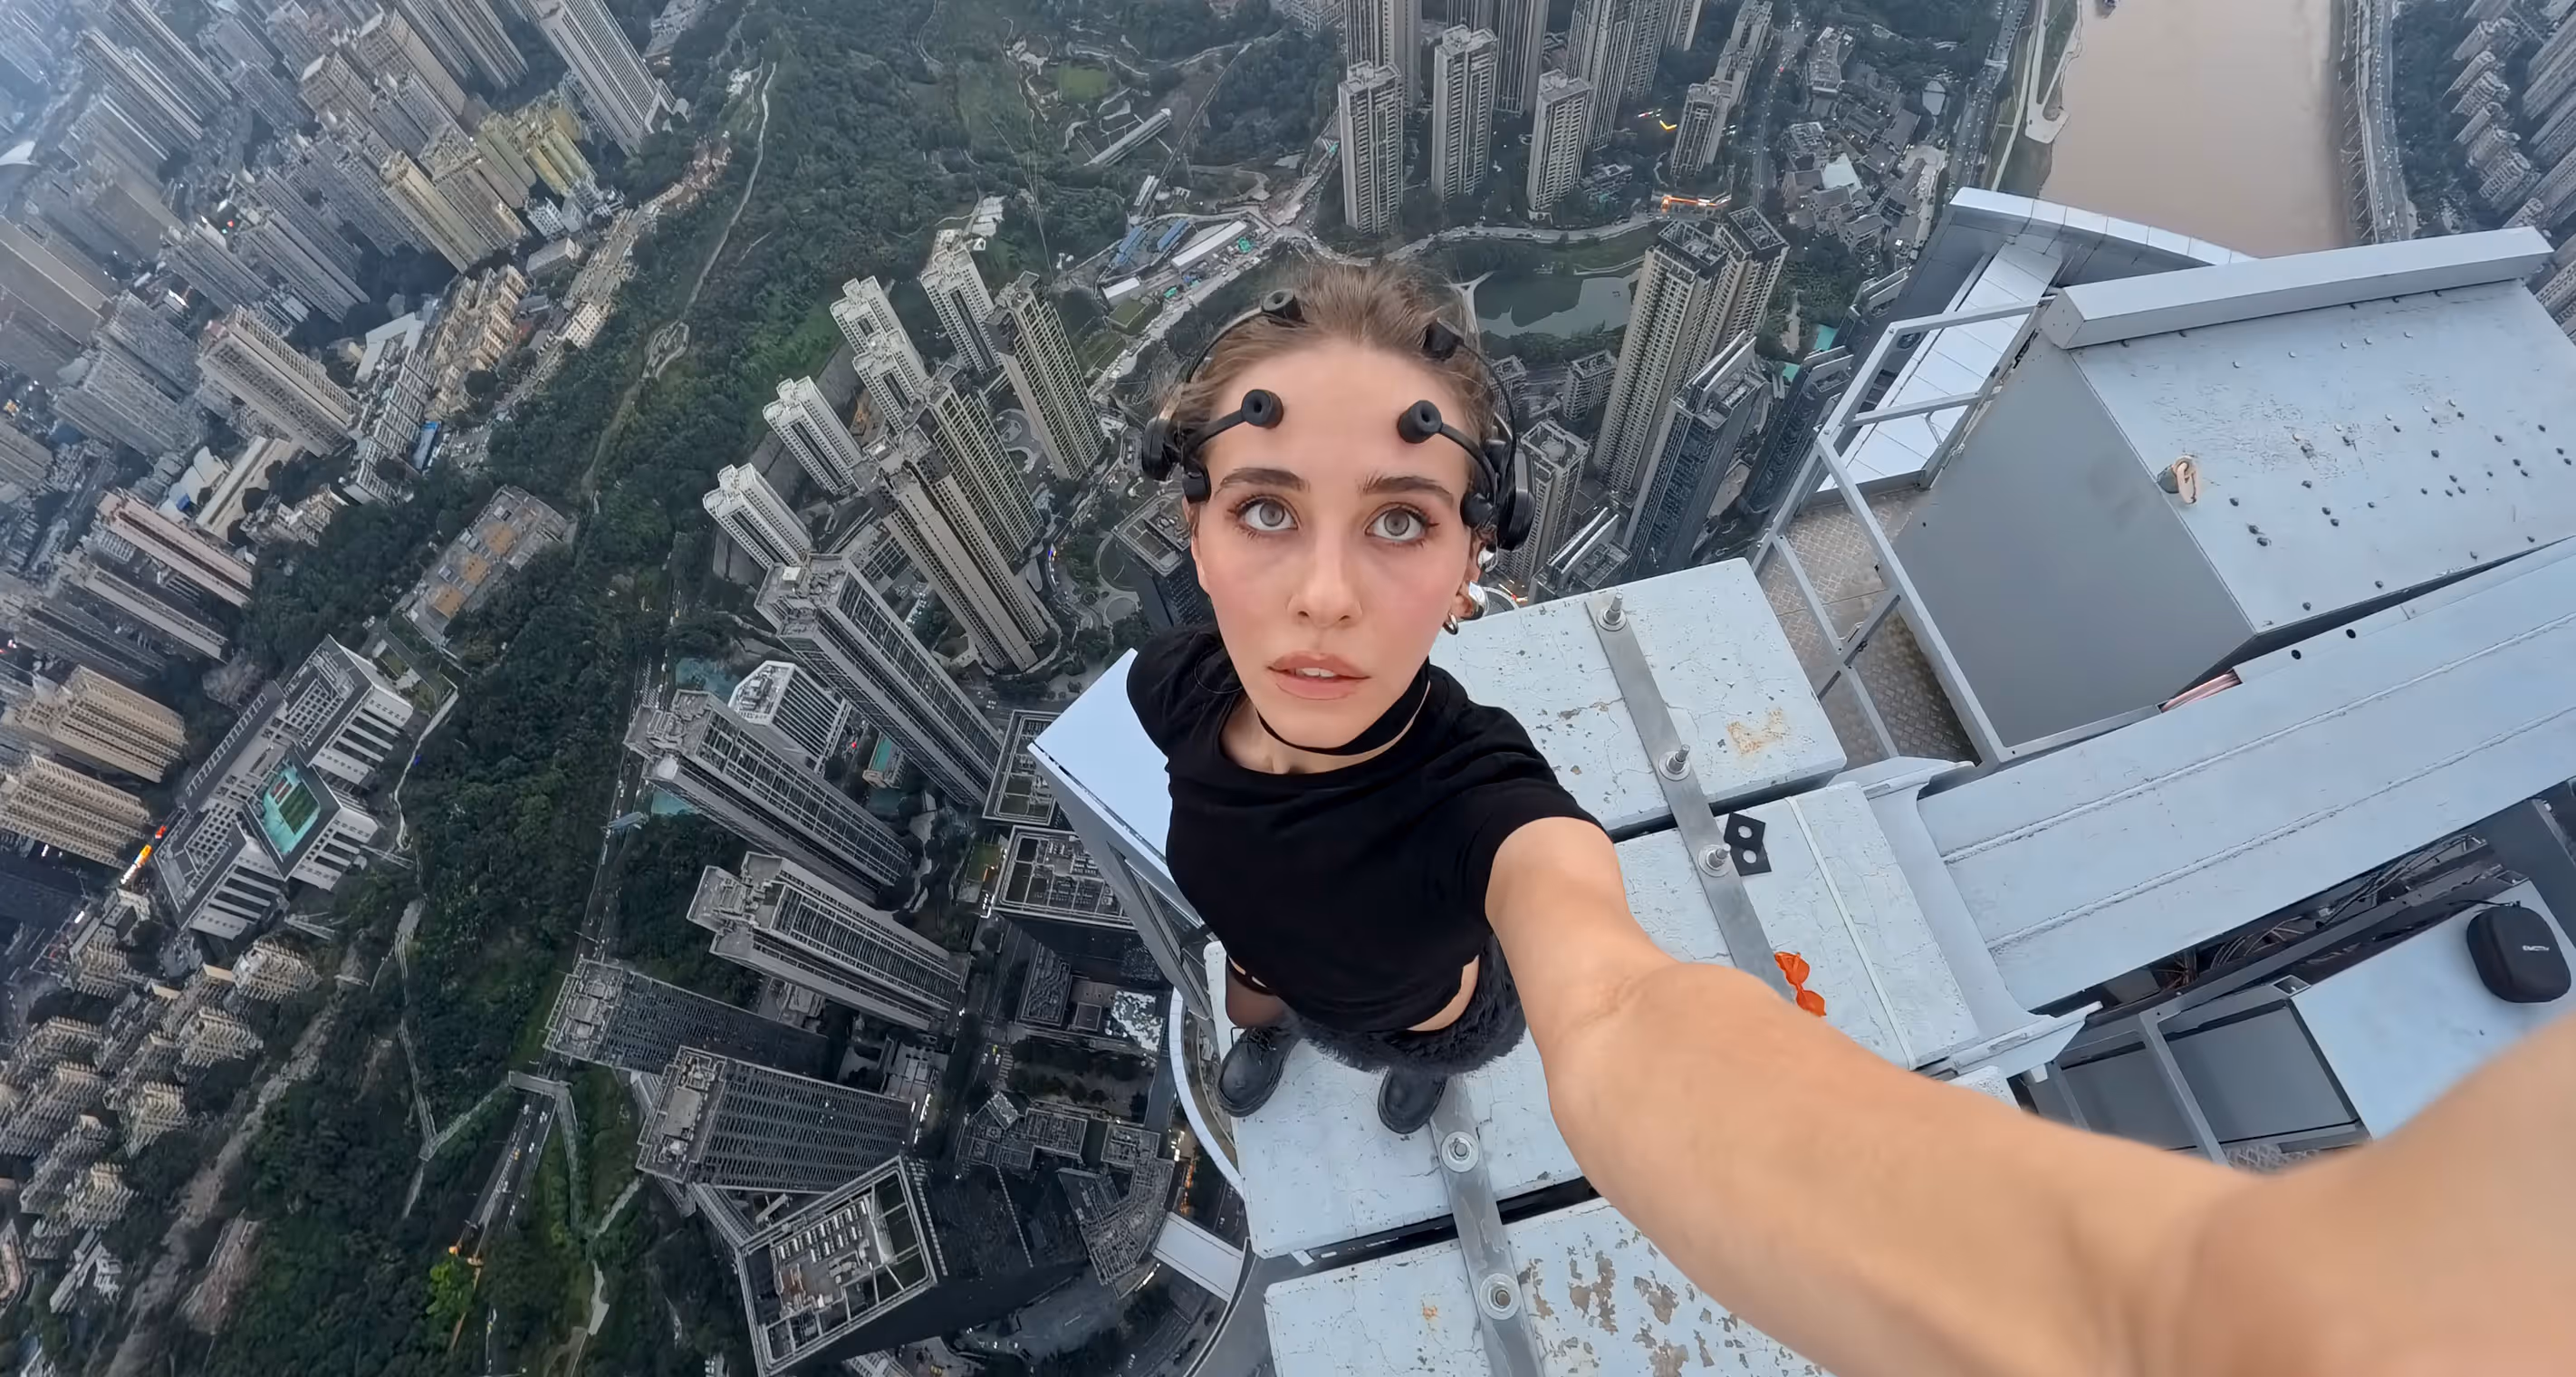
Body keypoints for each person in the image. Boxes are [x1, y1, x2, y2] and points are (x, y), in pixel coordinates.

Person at [1125, 258, 2575, 1375]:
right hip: (1274, 958)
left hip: (1431, 1003)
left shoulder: (1488, 800)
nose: (1323, 593)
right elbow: (1233, 854)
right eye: (1264, 509)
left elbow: (1628, 1014)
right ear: (1193, 525)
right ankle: (1273, 1026)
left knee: (1423, 1054)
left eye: (1397, 519)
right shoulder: (1176, 688)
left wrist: (2158, 1301)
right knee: (1259, 985)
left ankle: (1413, 1072)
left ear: (1467, 563)